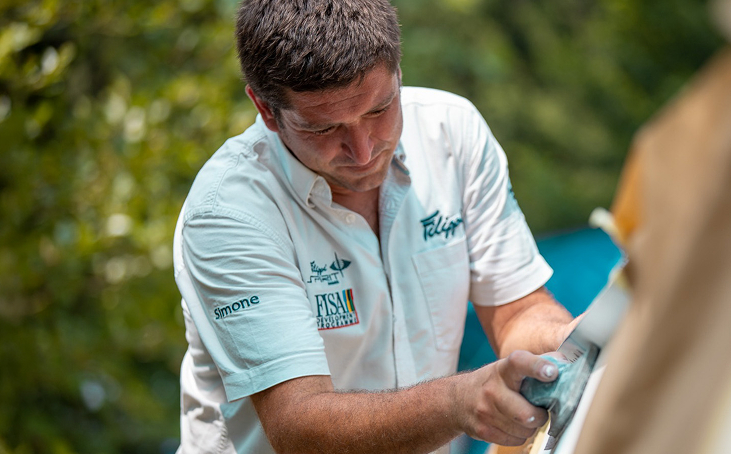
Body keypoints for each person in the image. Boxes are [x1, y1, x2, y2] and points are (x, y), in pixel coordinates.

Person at [173, 1, 578, 452]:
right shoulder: (228, 213)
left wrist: (574, 343)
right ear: (266, 110)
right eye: (324, 129)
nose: (363, 151)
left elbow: (518, 312)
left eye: (379, 110)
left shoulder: (452, 134)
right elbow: (299, 426)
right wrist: (458, 402)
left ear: (398, 69)